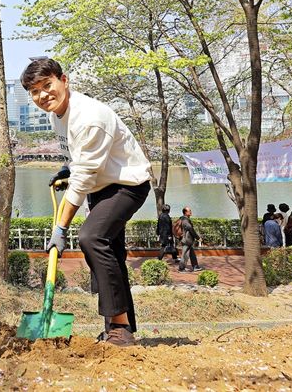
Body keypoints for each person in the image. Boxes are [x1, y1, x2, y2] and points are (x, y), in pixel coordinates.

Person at [21, 59, 151, 347]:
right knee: (111, 252)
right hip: (102, 186)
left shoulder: (90, 117)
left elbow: (81, 182)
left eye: (47, 86)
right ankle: (120, 328)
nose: (43, 95)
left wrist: (60, 229)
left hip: (127, 185)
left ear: (63, 80)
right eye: (35, 91)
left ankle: (118, 327)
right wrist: (69, 168)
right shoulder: (58, 115)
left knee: (92, 238)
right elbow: (79, 160)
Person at [177, 206, 203, 272]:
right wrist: (198, 237)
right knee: (185, 255)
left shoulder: (183, 219)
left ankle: (195, 266)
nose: (191, 212)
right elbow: (190, 229)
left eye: (190, 210)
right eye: (189, 211)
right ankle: (181, 268)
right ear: (185, 212)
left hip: (186, 239)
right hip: (187, 240)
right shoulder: (185, 220)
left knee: (192, 254)